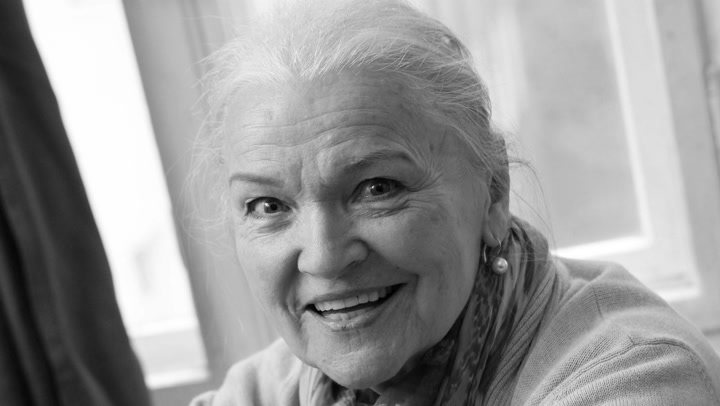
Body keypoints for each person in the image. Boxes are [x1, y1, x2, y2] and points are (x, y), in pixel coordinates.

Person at [190, 0, 720, 404]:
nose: (324, 258)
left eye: (377, 189)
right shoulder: (267, 389)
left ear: (493, 192)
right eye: (268, 206)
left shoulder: (636, 376)